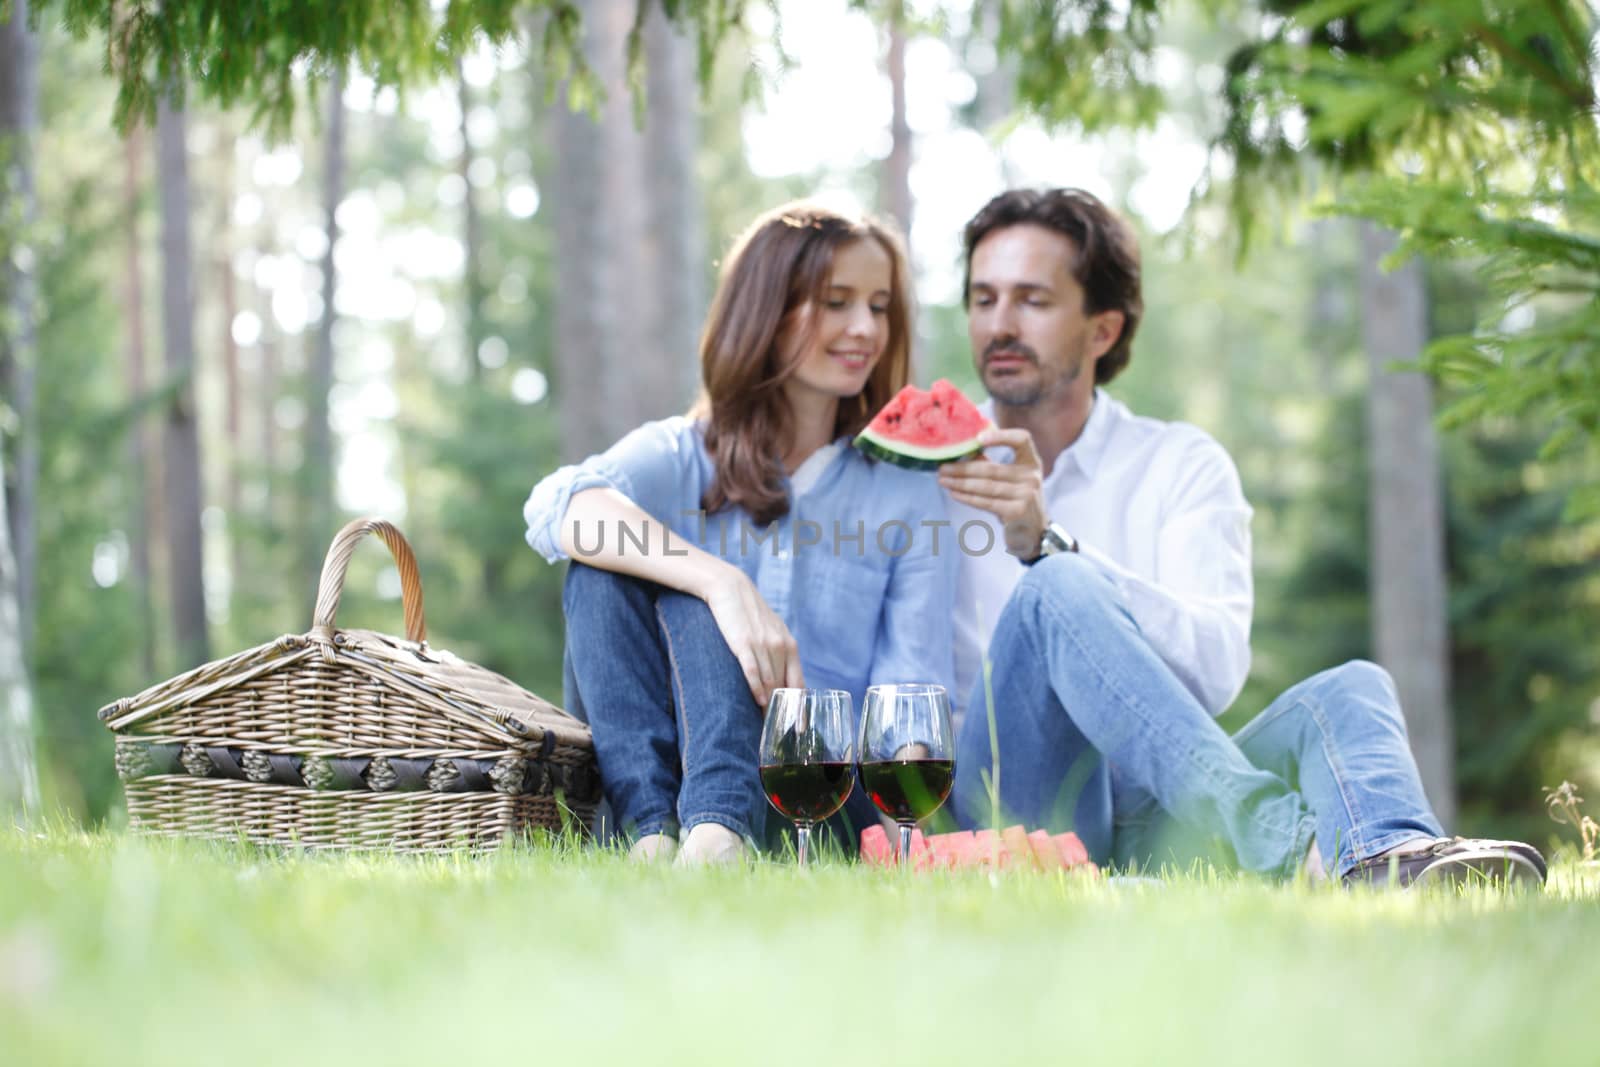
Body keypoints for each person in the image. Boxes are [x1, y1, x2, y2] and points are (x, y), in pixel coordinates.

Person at [936, 187, 1546, 888]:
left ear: (1102, 330)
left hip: (1162, 806)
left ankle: (1392, 864)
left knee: (1353, 689)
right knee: (1054, 587)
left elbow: (1218, 670)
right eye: (983, 299)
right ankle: (1292, 854)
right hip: (1012, 805)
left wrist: (1054, 543)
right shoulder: (926, 474)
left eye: (1032, 301)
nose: (999, 325)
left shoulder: (1180, 465)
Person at [523, 201, 955, 865]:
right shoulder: (681, 453)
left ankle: (717, 833)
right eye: (836, 301)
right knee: (605, 562)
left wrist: (907, 844)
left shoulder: (907, 489)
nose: (865, 327)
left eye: (879, 305)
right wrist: (721, 582)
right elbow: (555, 507)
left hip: (821, 800)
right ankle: (657, 837)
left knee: (660, 573)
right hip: (669, 789)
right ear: (768, 309)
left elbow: (912, 687)